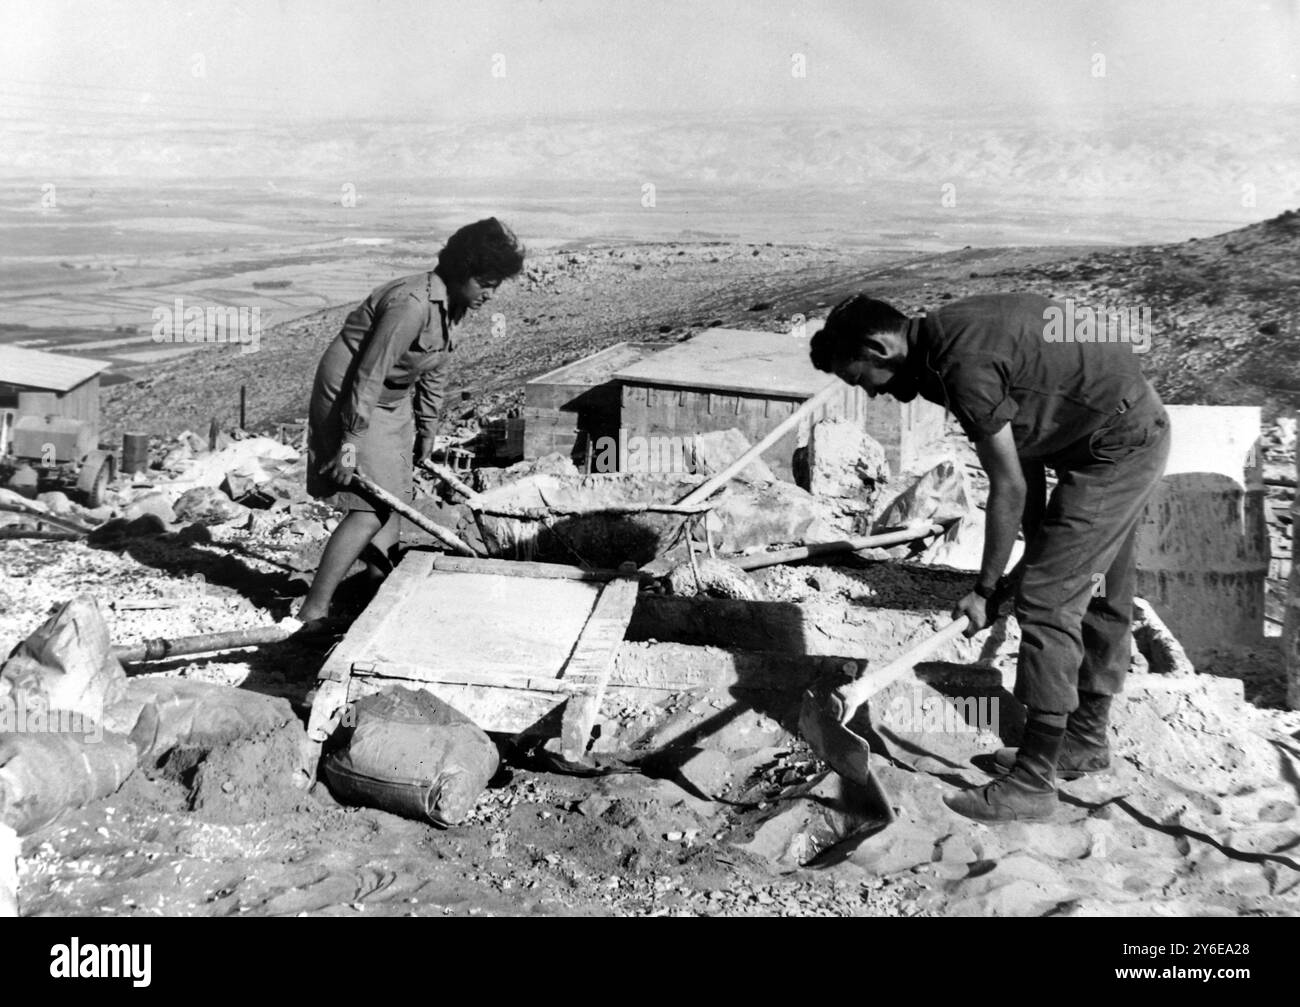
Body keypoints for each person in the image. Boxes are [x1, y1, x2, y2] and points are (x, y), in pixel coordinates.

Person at [810, 292, 1170, 823]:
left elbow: (1008, 486)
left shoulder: (961, 364)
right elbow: (1024, 464)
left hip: (1115, 449)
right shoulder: (945, 338)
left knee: (1048, 600)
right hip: (1105, 438)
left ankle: (1032, 785)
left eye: (863, 379)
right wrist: (1008, 572)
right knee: (1095, 587)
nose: (876, 394)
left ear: (879, 347)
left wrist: (986, 589)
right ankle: (1085, 741)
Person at [296, 218, 525, 627]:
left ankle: (375, 587)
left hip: (393, 395)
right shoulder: (412, 303)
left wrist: (427, 429)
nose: (490, 295)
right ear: (460, 270)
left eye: (496, 285)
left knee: (396, 494)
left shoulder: (452, 305)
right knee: (369, 506)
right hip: (351, 392)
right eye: (484, 283)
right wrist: (349, 442)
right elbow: (368, 373)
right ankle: (313, 610)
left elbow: (435, 369)